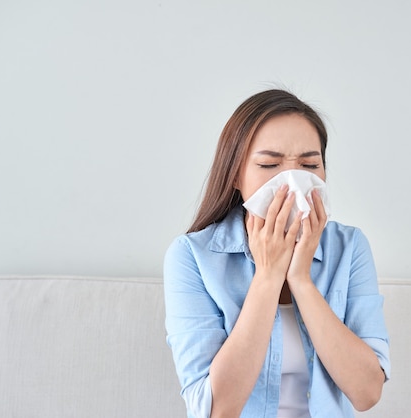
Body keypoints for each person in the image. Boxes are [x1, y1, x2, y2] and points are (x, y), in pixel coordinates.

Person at [164, 89, 390, 418]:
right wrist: (269, 276)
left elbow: (367, 393)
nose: (292, 183)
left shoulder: (350, 247)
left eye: (310, 164)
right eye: (270, 164)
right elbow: (217, 410)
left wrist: (300, 280)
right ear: (236, 175)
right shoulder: (192, 257)